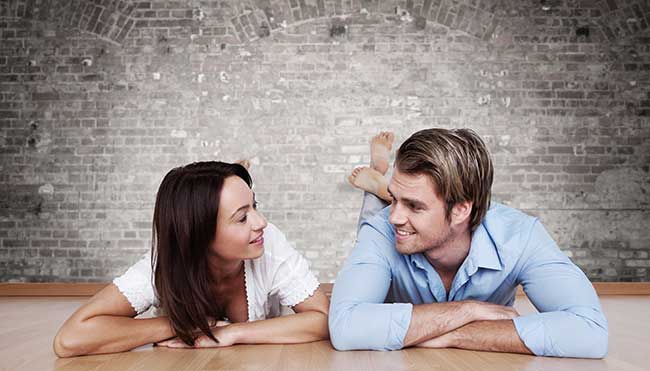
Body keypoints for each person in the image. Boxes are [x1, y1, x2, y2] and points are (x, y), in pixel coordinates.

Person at [329, 129, 608, 358]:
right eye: (397, 199)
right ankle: (379, 179)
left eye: (415, 206)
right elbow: (345, 326)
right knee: (374, 212)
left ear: (461, 210)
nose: (395, 218)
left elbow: (590, 331)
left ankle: (382, 181)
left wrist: (451, 334)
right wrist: (467, 310)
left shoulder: (520, 236)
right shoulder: (380, 229)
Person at [53, 161, 329, 357]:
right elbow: (70, 339)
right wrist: (182, 326)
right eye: (242, 217)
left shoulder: (269, 244)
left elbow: (322, 318)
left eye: (255, 207)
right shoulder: (164, 264)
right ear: (199, 235)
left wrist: (230, 334)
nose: (261, 223)